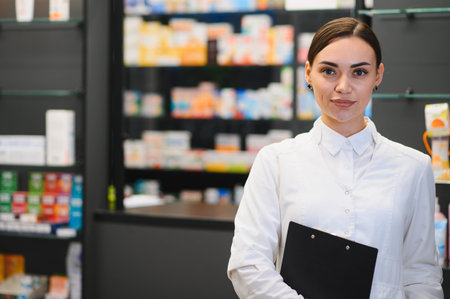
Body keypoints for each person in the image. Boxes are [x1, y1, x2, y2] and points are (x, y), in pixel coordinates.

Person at [227, 17, 444, 299]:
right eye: (329, 71)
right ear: (308, 73)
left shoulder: (413, 167)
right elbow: (248, 263)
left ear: (377, 75)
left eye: (359, 73)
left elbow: (421, 275)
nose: (343, 86)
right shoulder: (276, 161)